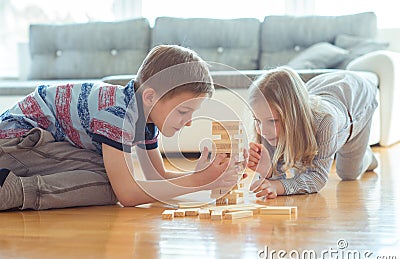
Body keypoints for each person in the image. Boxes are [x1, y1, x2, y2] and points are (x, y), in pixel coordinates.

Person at [0, 45, 239, 211]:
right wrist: (199, 182)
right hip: (15, 142)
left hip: (34, 146)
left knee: (113, 176)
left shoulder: (144, 117)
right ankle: (10, 190)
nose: (188, 122)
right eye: (183, 112)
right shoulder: (118, 113)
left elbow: (157, 177)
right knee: (110, 183)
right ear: (150, 96)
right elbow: (128, 195)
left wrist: (198, 176)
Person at [247, 67, 378, 199]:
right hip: (322, 86)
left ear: (294, 114)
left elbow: (317, 178)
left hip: (356, 98)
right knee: (298, 168)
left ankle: (367, 155)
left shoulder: (326, 121)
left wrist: (278, 186)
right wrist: (268, 171)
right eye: (257, 120)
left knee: (348, 174)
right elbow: (278, 178)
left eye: (273, 121)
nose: (263, 131)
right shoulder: (267, 124)